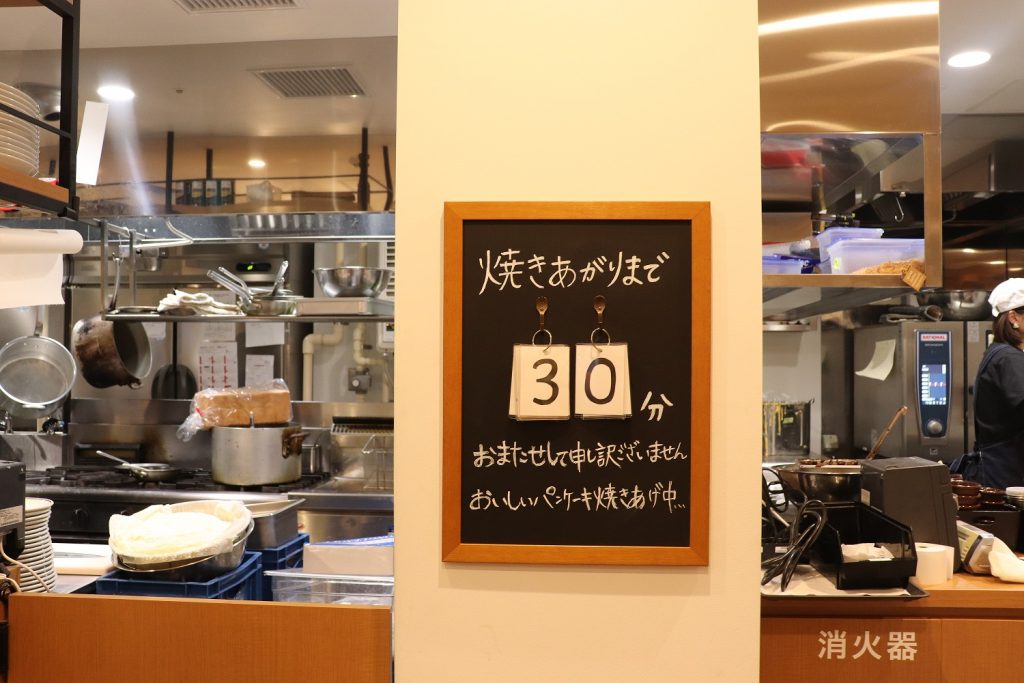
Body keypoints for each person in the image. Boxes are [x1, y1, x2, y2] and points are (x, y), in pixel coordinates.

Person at [963, 279, 1024, 488]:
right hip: (1006, 477)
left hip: (1001, 472)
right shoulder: (1009, 358)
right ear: (1014, 317)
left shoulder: (1001, 353)